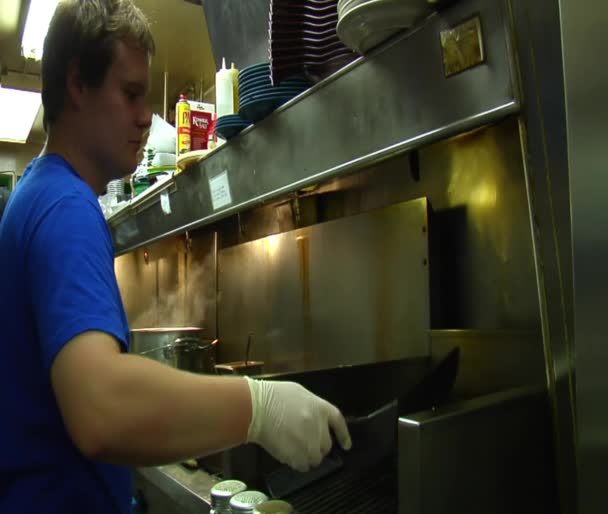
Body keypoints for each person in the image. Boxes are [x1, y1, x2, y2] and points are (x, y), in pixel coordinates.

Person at [0, 1, 351, 513]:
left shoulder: (36, 192)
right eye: (131, 93)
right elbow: (101, 407)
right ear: (78, 83)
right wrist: (260, 407)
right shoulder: (65, 209)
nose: (146, 118)